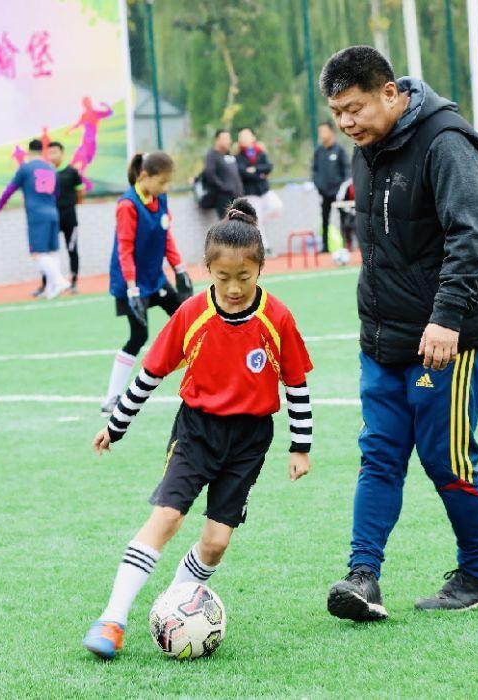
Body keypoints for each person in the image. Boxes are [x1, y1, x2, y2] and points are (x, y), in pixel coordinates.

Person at [318, 46, 478, 619]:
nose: (346, 123)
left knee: (445, 456)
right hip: (384, 338)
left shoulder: (446, 141)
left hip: (450, 337)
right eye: (337, 113)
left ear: (390, 93)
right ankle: (363, 577)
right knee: (378, 454)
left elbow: (469, 236)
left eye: (354, 108)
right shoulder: (368, 147)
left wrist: (447, 317)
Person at [82, 198, 314, 659]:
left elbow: (296, 384)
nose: (234, 287)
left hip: (250, 441)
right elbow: (150, 375)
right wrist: (116, 425)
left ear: (260, 268)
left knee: (216, 542)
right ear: (208, 270)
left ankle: (176, 605)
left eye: (244, 276)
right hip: (197, 432)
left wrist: (300, 446)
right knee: (167, 517)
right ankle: (112, 619)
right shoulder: (191, 313)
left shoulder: (277, 317)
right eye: (223, 277)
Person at [101, 151, 193, 414]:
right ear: (144, 176)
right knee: (138, 335)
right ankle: (111, 398)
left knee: (188, 320)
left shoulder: (160, 197)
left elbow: (166, 236)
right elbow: (125, 249)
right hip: (131, 283)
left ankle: (208, 377)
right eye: (162, 182)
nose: (165, 188)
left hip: (155, 278)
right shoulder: (127, 205)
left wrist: (179, 269)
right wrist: (132, 288)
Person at [0, 139, 71, 300]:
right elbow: (56, 193)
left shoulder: (25, 169)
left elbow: (10, 189)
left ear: (29, 152)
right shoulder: (51, 168)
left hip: (37, 215)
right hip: (53, 212)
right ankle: (51, 288)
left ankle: (59, 280)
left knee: (37, 254)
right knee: (52, 251)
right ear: (43, 151)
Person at [32, 141, 84, 296]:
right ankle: (47, 284)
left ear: (62, 153)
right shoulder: (45, 172)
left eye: (55, 152)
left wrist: (71, 204)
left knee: (72, 249)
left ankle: (73, 283)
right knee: (47, 253)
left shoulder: (72, 172)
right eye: (50, 153)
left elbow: (80, 192)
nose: (52, 155)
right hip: (50, 220)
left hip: (69, 218)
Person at [234, 128, 278, 256]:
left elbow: (268, 166)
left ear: (253, 137)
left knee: (277, 206)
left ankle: (253, 222)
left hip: (264, 190)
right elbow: (243, 173)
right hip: (251, 192)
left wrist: (255, 169)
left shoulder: (260, 152)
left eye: (247, 135)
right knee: (257, 220)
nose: (244, 138)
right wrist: (260, 175)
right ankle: (265, 248)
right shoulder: (238, 156)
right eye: (241, 136)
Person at [312, 121, 351, 258]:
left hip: (339, 194)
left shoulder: (340, 150)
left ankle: (346, 245)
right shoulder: (318, 151)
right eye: (320, 131)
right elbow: (314, 171)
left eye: (324, 131)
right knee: (324, 219)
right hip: (324, 193)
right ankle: (325, 247)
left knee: (344, 219)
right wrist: (319, 186)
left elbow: (347, 171)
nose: (321, 134)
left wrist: (342, 188)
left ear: (331, 132)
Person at [202, 130, 243, 220]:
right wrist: (224, 187)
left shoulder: (229, 154)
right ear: (217, 140)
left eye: (229, 138)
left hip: (237, 197)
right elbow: (209, 174)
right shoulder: (212, 155)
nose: (228, 141)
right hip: (224, 198)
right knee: (227, 224)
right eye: (225, 138)